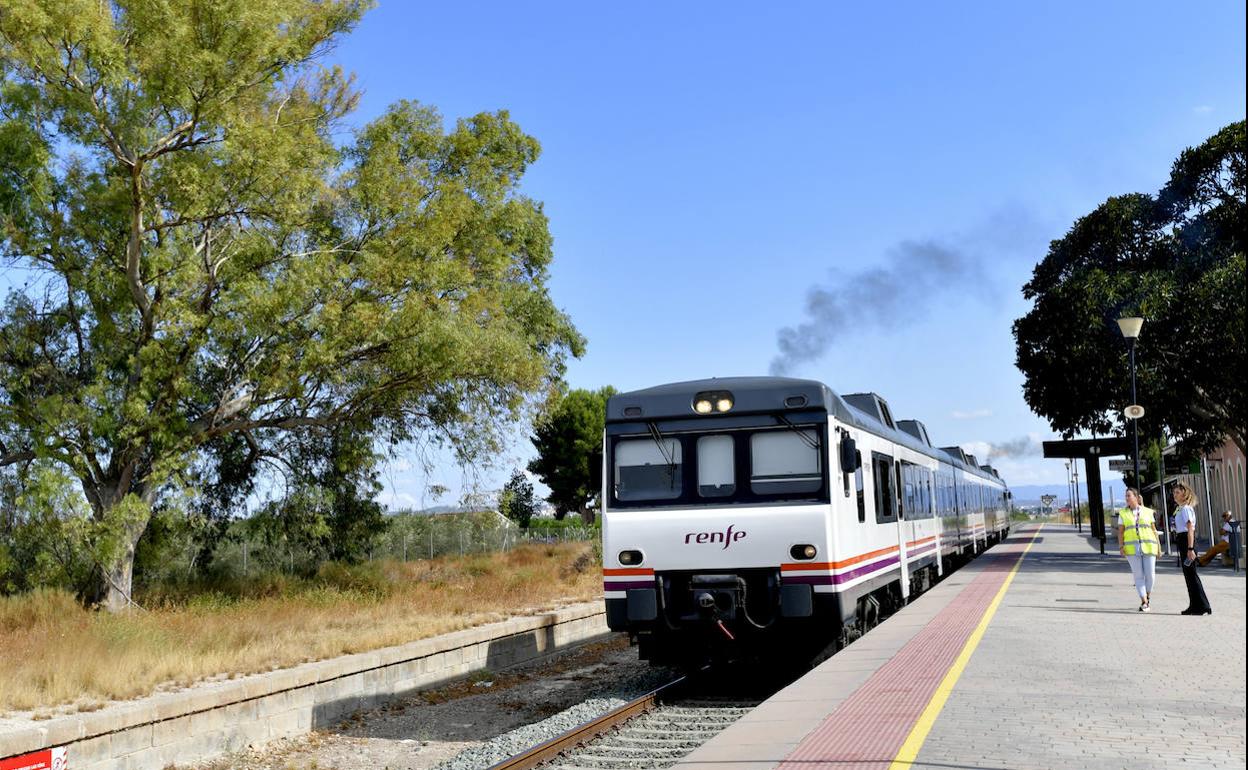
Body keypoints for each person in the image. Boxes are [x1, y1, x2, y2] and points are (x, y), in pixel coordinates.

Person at [1171, 482, 1211, 615]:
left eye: (1177, 492)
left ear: (1184, 494)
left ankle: (1203, 605)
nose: (1175, 495)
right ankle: (1194, 605)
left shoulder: (1186, 509)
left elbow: (1190, 530)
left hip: (1187, 542)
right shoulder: (1180, 508)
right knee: (1188, 575)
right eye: (1174, 493)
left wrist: (1190, 548)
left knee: (1192, 575)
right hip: (1182, 540)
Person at [1117, 487, 1159, 612]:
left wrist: (1159, 548)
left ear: (1136, 497)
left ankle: (1147, 596)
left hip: (1150, 547)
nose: (1127, 498)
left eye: (1129, 495)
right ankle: (1144, 601)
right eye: (1126, 496)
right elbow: (1120, 532)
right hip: (1131, 548)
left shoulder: (1148, 512)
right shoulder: (1122, 513)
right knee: (1138, 575)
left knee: (1150, 575)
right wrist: (1121, 546)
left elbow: (1154, 530)